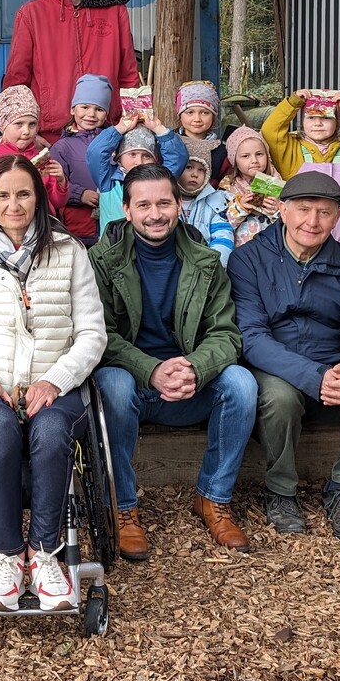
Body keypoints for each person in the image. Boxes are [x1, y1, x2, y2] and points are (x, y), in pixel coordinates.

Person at [0, 155, 107, 613]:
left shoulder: (70, 251)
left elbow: (93, 334)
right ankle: (7, 556)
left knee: (51, 432)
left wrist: (56, 379)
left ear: (39, 198)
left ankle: (44, 554)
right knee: (0, 429)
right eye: (4, 195)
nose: (14, 205)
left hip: (56, 383)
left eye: (24, 194)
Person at [228, 170, 340, 541]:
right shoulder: (248, 260)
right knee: (279, 396)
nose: (312, 221)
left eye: (324, 212)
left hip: (330, 366)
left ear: (337, 217)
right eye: (303, 209)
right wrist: (314, 377)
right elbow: (251, 337)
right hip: (274, 367)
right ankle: (280, 490)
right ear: (283, 211)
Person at [90, 165, 252, 557]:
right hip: (131, 384)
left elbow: (226, 334)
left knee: (242, 384)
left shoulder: (205, 262)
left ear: (179, 205)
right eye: (143, 205)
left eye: (164, 203)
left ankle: (213, 497)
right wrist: (152, 370)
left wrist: (194, 367)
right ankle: (122, 507)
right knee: (112, 383)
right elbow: (99, 335)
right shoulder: (101, 261)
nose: (155, 214)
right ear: (126, 210)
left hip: (188, 383)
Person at [3, 0, 138, 140]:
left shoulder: (115, 11)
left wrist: (131, 127)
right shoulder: (31, 13)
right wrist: (27, 134)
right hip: (49, 136)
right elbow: (16, 82)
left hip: (106, 132)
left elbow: (128, 76)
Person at [262, 88, 340, 250]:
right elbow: (270, 131)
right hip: (301, 238)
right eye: (311, 117)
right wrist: (292, 104)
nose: (317, 123)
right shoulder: (291, 151)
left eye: (326, 117)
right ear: (302, 120)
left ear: (338, 122)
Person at [86, 110, 188, 234]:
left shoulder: (159, 180)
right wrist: (120, 129)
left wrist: (159, 129)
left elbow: (177, 158)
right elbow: (96, 153)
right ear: (119, 157)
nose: (139, 161)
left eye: (146, 156)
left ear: (154, 159)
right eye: (132, 154)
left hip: (151, 242)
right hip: (114, 244)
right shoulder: (108, 180)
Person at [0, 85, 67, 213]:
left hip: (42, 221)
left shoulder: (42, 159)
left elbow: (57, 202)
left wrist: (61, 182)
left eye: (32, 124)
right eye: (19, 124)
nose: (26, 131)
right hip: (10, 219)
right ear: (3, 126)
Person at [51, 74, 114, 245]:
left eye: (99, 109)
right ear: (73, 109)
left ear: (106, 113)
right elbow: (54, 184)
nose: (91, 114)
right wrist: (80, 195)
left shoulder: (114, 142)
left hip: (112, 223)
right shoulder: (61, 147)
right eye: (85, 107)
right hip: (79, 226)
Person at [220, 125, 282, 250]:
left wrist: (277, 211)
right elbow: (222, 225)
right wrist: (240, 206)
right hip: (241, 250)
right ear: (234, 160)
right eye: (245, 156)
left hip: (271, 250)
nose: (254, 160)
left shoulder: (277, 182)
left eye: (259, 154)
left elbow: (289, 225)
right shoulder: (228, 186)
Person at [175, 150, 234, 266]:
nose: (195, 174)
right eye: (188, 167)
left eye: (201, 170)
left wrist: (213, 265)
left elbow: (223, 235)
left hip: (206, 265)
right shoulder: (166, 200)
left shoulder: (214, 201)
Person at [176, 80, 229, 179]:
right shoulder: (167, 144)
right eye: (190, 112)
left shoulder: (221, 152)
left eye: (205, 113)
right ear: (180, 115)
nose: (197, 119)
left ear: (213, 116)